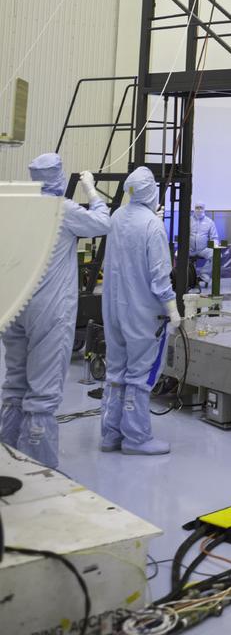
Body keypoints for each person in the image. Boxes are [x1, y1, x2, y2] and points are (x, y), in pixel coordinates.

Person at [0, 155, 110, 468]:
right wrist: (91, 191)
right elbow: (103, 223)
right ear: (57, 177)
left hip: (15, 305)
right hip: (50, 310)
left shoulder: (17, 208)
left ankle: (8, 460)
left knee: (14, 385)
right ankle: (37, 469)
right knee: (42, 393)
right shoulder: (62, 209)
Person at [100, 167, 181, 456]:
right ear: (151, 191)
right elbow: (160, 276)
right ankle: (136, 438)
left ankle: (110, 435)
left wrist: (151, 222)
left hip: (113, 310)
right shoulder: (152, 226)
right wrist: (172, 310)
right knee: (139, 374)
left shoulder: (117, 216)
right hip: (143, 314)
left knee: (116, 372)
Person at [189, 203, 219, 291]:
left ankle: (204, 276)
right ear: (194, 209)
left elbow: (214, 237)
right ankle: (187, 278)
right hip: (189, 249)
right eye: (197, 208)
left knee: (216, 255)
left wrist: (215, 246)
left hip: (203, 249)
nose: (198, 210)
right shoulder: (188, 220)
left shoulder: (209, 222)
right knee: (177, 255)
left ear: (204, 209)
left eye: (200, 208)